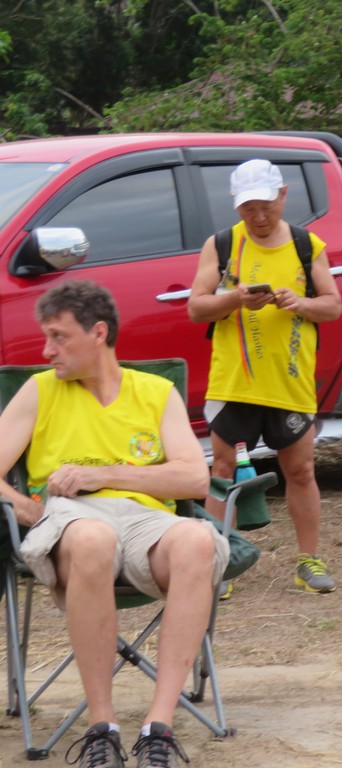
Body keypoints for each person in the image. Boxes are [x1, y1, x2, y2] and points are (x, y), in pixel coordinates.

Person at [0, 281, 228, 768]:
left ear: (98, 333)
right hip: (71, 520)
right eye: (46, 338)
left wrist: (101, 474)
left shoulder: (155, 392)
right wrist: (26, 509)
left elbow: (193, 478)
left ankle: (157, 729)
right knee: (92, 538)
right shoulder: (40, 391)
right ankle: (101, 727)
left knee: (196, 540)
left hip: (145, 519)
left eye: (59, 337)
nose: (47, 351)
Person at [188, 159, 342, 594]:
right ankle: (217, 563)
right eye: (248, 208)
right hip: (234, 381)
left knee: (302, 470)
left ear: (283, 195)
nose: (258, 217)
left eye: (266, 206)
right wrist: (234, 299)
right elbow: (196, 307)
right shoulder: (221, 244)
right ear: (236, 205)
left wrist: (300, 303)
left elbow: (333, 305)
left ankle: (308, 560)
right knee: (221, 470)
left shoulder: (307, 245)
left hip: (289, 380)